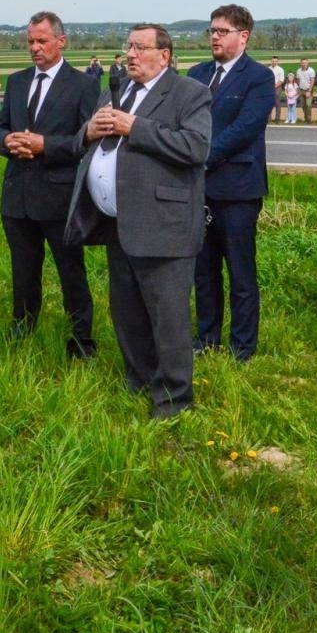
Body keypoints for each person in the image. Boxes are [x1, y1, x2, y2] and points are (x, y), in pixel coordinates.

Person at [64, 24, 210, 418]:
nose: (130, 54)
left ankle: (174, 401)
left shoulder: (188, 93)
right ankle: (140, 380)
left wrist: (136, 127)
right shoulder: (117, 91)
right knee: (127, 310)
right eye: (128, 46)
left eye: (140, 47)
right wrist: (88, 132)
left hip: (165, 224)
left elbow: (196, 147)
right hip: (119, 222)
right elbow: (86, 139)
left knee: (168, 317)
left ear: (164, 55)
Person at [0, 13, 100, 359]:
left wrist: (44, 146)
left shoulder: (83, 85)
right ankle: (22, 327)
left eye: (42, 41)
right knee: (23, 269)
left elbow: (86, 140)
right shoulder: (18, 81)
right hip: (18, 195)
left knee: (71, 271)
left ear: (61, 41)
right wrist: (7, 140)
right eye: (30, 42)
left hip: (59, 195)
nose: (35, 48)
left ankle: (81, 339)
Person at [187, 5, 275, 361]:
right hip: (198, 190)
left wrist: (198, 156)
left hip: (237, 189)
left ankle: (242, 346)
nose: (215, 37)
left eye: (223, 31)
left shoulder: (258, 77)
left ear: (244, 36)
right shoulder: (196, 74)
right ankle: (207, 338)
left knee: (240, 272)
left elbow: (245, 129)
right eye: (212, 31)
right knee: (203, 271)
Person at [268, 56, 286, 122]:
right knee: (269, 103)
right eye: (273, 61)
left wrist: (274, 86)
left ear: (277, 62)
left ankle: (277, 119)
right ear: (271, 61)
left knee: (277, 103)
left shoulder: (280, 70)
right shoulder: (268, 68)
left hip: (277, 87)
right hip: (269, 88)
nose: (274, 62)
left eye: (275, 61)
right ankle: (269, 119)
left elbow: (281, 80)